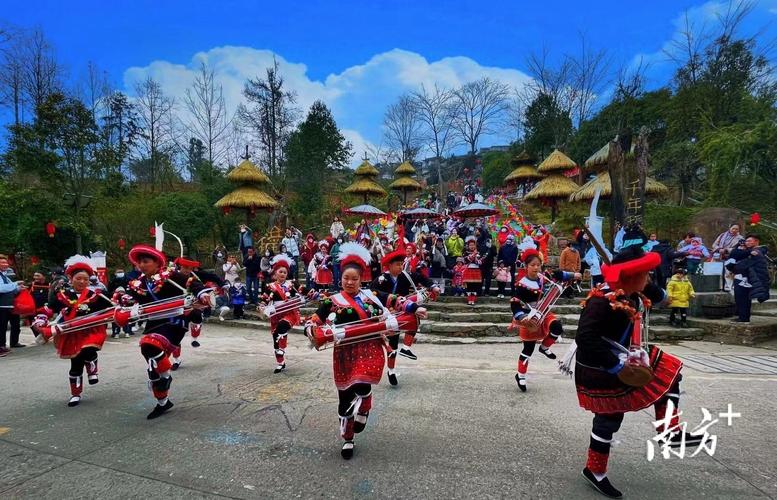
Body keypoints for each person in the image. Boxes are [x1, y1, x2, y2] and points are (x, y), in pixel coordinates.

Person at [571, 230, 700, 498]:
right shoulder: (600, 302)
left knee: (669, 373)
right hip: (599, 367)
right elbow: (585, 338)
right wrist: (617, 367)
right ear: (631, 276)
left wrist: (656, 290)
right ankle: (595, 471)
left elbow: (658, 294)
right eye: (645, 273)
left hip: (626, 352)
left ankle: (669, 429)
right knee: (608, 418)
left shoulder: (632, 288)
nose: (649, 277)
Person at [305, 242, 427, 459]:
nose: (350, 282)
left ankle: (366, 400)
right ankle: (348, 439)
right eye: (346, 278)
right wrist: (311, 332)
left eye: (354, 279)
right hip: (344, 353)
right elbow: (313, 320)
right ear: (340, 279)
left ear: (361, 279)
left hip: (369, 347)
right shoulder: (331, 301)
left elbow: (395, 300)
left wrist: (414, 308)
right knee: (345, 399)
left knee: (361, 385)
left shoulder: (371, 295)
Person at [125, 245, 210, 419]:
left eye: (146, 261)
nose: (142, 264)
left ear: (157, 264)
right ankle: (163, 403)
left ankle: (166, 374)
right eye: (140, 262)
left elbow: (192, 283)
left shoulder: (170, 276)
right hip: (154, 322)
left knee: (149, 345)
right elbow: (133, 299)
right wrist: (124, 301)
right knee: (151, 364)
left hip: (175, 322)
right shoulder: (139, 283)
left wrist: (201, 293)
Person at [31, 256, 111, 406]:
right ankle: (76, 394)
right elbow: (49, 309)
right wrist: (40, 320)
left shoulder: (96, 295)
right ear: (71, 278)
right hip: (71, 333)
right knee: (76, 363)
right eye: (78, 278)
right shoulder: (62, 295)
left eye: (85, 279)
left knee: (88, 349)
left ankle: (93, 368)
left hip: (90, 331)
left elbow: (110, 307)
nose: (82, 282)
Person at [510, 249, 580, 392]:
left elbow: (560, 274)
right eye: (533, 265)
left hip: (545, 312)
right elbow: (515, 304)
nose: (536, 268)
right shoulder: (521, 284)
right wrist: (522, 317)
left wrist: (574, 274)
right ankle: (521, 375)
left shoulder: (544, 277)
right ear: (526, 266)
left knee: (557, 327)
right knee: (528, 349)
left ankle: (544, 347)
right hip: (529, 316)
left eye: (538, 265)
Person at [371, 247, 440, 384]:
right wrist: (386, 304)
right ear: (389, 266)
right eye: (397, 264)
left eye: (401, 264)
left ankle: (407, 348)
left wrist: (433, 286)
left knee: (416, 317)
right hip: (388, 313)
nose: (400, 267)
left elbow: (421, 278)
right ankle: (391, 370)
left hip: (404, 309)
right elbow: (372, 294)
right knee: (393, 343)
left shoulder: (406, 276)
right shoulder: (381, 280)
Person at [259, 255, 304, 373]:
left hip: (290, 312)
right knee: (275, 336)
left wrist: (312, 294)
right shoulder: (270, 286)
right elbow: (264, 298)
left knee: (282, 327)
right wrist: (262, 306)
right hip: (276, 313)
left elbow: (304, 290)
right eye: (280, 271)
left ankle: (282, 350)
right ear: (275, 273)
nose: (283, 274)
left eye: (285, 272)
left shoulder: (292, 284)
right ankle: (280, 362)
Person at [726, 234, 770, 324]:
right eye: (747, 241)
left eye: (750, 241)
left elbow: (741, 266)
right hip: (745, 278)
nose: (747, 243)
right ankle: (743, 317)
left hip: (745, 279)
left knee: (742, 298)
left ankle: (743, 319)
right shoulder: (750, 251)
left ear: (756, 241)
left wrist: (731, 267)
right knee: (742, 298)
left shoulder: (756, 252)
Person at [0, 254, 23, 354]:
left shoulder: (4, 276)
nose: (6, 264)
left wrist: (19, 288)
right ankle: (1, 347)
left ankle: (6, 344)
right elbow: (1, 288)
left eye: (6, 262)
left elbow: (10, 288)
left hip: (8, 305)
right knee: (1, 327)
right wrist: (15, 284)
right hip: (1, 305)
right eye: (2, 263)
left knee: (9, 326)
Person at [462, 236, 483, 306]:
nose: (472, 246)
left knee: (475, 286)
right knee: (469, 286)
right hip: (469, 270)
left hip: (476, 270)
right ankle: (469, 300)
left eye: (473, 245)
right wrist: (473, 255)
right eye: (470, 245)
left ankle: (473, 300)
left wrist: (478, 259)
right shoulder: (466, 253)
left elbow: (480, 263)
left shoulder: (478, 253)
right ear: (468, 246)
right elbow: (466, 260)